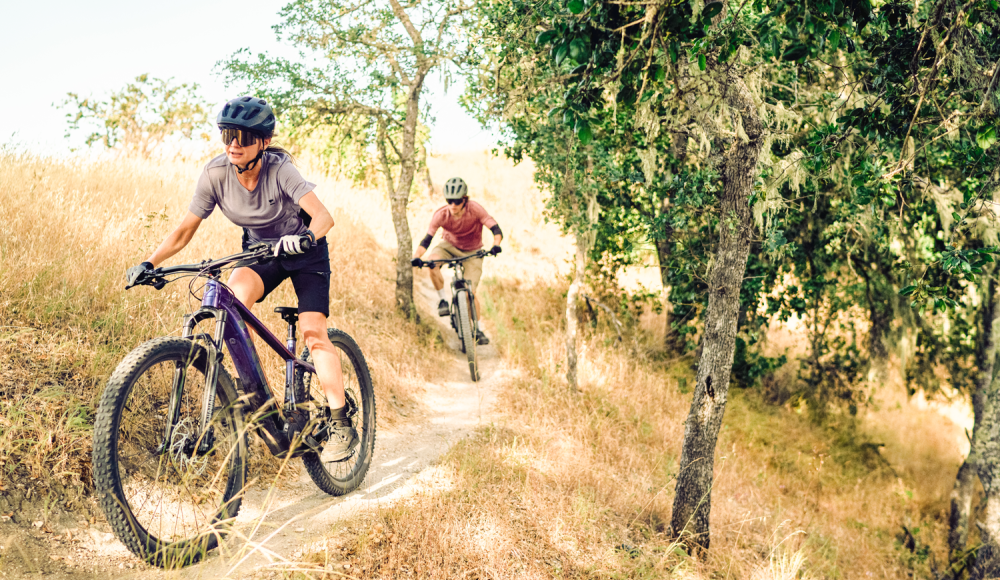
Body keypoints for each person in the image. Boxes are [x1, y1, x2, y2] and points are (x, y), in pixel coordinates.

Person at [124, 96, 357, 459]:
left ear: (263, 142)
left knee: (313, 332)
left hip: (305, 252)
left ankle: (341, 422)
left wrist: (308, 237)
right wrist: (149, 262)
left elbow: (324, 218)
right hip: (261, 253)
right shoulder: (215, 174)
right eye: (227, 135)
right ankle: (250, 390)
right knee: (230, 303)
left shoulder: (280, 170)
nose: (233, 144)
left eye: (243, 137)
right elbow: (185, 230)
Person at [410, 177, 502, 345]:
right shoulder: (441, 214)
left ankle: (478, 330)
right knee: (432, 263)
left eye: (457, 201)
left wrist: (496, 245)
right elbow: (427, 239)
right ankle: (442, 300)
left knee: (470, 293)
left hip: (472, 251)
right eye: (449, 200)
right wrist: (417, 257)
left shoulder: (475, 209)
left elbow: (495, 228)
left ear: (464, 200)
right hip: (449, 247)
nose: (453, 205)